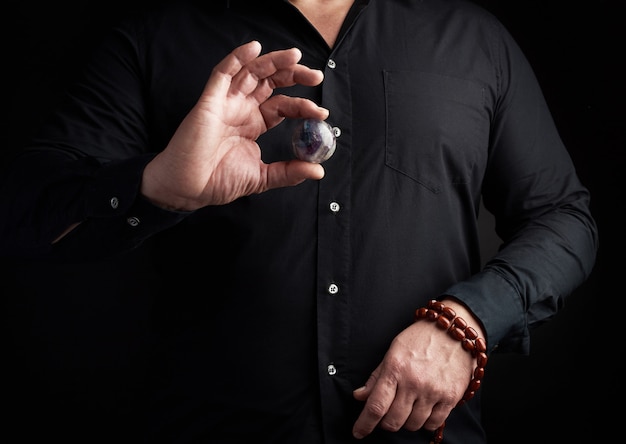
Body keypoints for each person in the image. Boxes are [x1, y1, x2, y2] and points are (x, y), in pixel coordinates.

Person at [0, 0, 598, 443]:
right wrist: (155, 185)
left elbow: (564, 218)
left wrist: (467, 320)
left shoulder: (473, 38)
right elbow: (27, 218)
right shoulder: (157, 36)